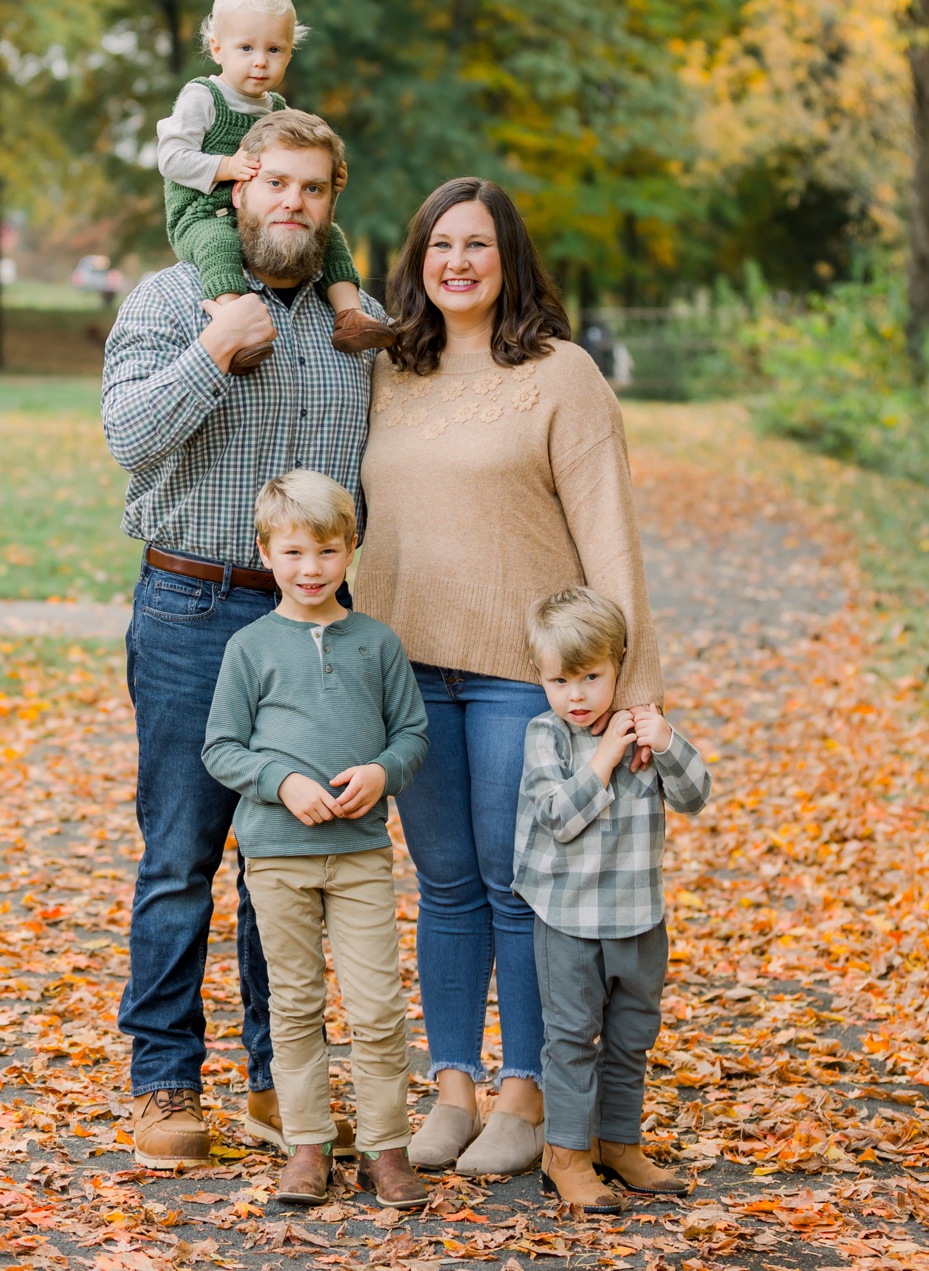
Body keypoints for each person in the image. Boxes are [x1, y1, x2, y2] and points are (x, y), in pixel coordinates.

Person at [354, 177, 664, 1177]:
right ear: (417, 259)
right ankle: (454, 1090)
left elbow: (609, 535)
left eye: (477, 245)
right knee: (443, 886)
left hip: (517, 678)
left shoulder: (563, 376)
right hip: (405, 671)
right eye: (440, 244)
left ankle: (528, 1095)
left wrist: (638, 686)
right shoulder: (387, 371)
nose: (456, 262)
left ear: (509, 258)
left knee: (519, 885)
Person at [101, 108, 390, 1169]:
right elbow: (127, 440)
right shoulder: (171, 301)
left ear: (331, 203)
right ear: (237, 188)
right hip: (188, 608)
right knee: (182, 856)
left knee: (290, 862)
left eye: (312, 190)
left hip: (311, 626)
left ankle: (283, 1089)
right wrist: (212, 357)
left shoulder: (350, 324)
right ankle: (165, 1083)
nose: (291, 204)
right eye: (273, 183)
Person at [202, 470, 430, 1210]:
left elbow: (413, 735)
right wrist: (281, 782)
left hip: (361, 854)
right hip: (276, 855)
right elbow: (222, 748)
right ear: (266, 552)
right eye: (294, 552)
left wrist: (382, 771)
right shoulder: (249, 647)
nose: (310, 569)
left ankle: (385, 1148)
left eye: (327, 552)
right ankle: (307, 1144)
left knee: (376, 1007)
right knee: (295, 1005)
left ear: (350, 550)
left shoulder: (376, 643)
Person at [514, 586, 710, 1210]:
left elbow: (695, 796)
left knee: (632, 1035)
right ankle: (566, 1154)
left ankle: (617, 1143)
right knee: (571, 1037)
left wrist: (669, 740)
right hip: (569, 918)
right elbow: (557, 817)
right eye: (559, 680)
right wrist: (602, 758)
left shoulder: (645, 733)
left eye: (591, 677)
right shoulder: (546, 735)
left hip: (637, 914)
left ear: (619, 664)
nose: (575, 695)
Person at [155, 0, 393, 367]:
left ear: (289, 52)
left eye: (274, 50)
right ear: (217, 49)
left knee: (329, 234)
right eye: (246, 48)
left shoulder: (279, 110)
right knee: (220, 245)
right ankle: (236, 326)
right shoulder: (203, 96)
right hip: (201, 213)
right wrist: (226, 165)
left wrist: (332, 175)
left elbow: (303, 162)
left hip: (262, 217)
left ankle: (349, 315)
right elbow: (171, 157)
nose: (260, 62)